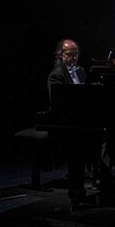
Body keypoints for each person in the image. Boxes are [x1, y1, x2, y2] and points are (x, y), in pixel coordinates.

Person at [47, 39, 92, 207]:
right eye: (69, 54)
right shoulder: (56, 75)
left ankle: (99, 178)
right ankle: (75, 191)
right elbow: (58, 103)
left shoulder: (81, 71)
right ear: (61, 55)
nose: (73, 58)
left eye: (76, 54)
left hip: (81, 120)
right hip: (64, 122)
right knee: (76, 148)